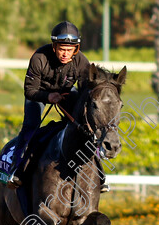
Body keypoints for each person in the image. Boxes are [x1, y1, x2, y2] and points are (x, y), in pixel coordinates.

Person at [7, 21, 109, 193]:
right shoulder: (39, 58)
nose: (65, 54)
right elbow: (29, 90)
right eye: (62, 49)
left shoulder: (81, 61)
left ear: (76, 49)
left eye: (70, 50)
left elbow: (87, 91)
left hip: (65, 94)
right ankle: (16, 169)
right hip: (39, 94)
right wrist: (48, 96)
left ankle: (100, 172)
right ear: (54, 46)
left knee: (85, 126)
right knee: (31, 126)